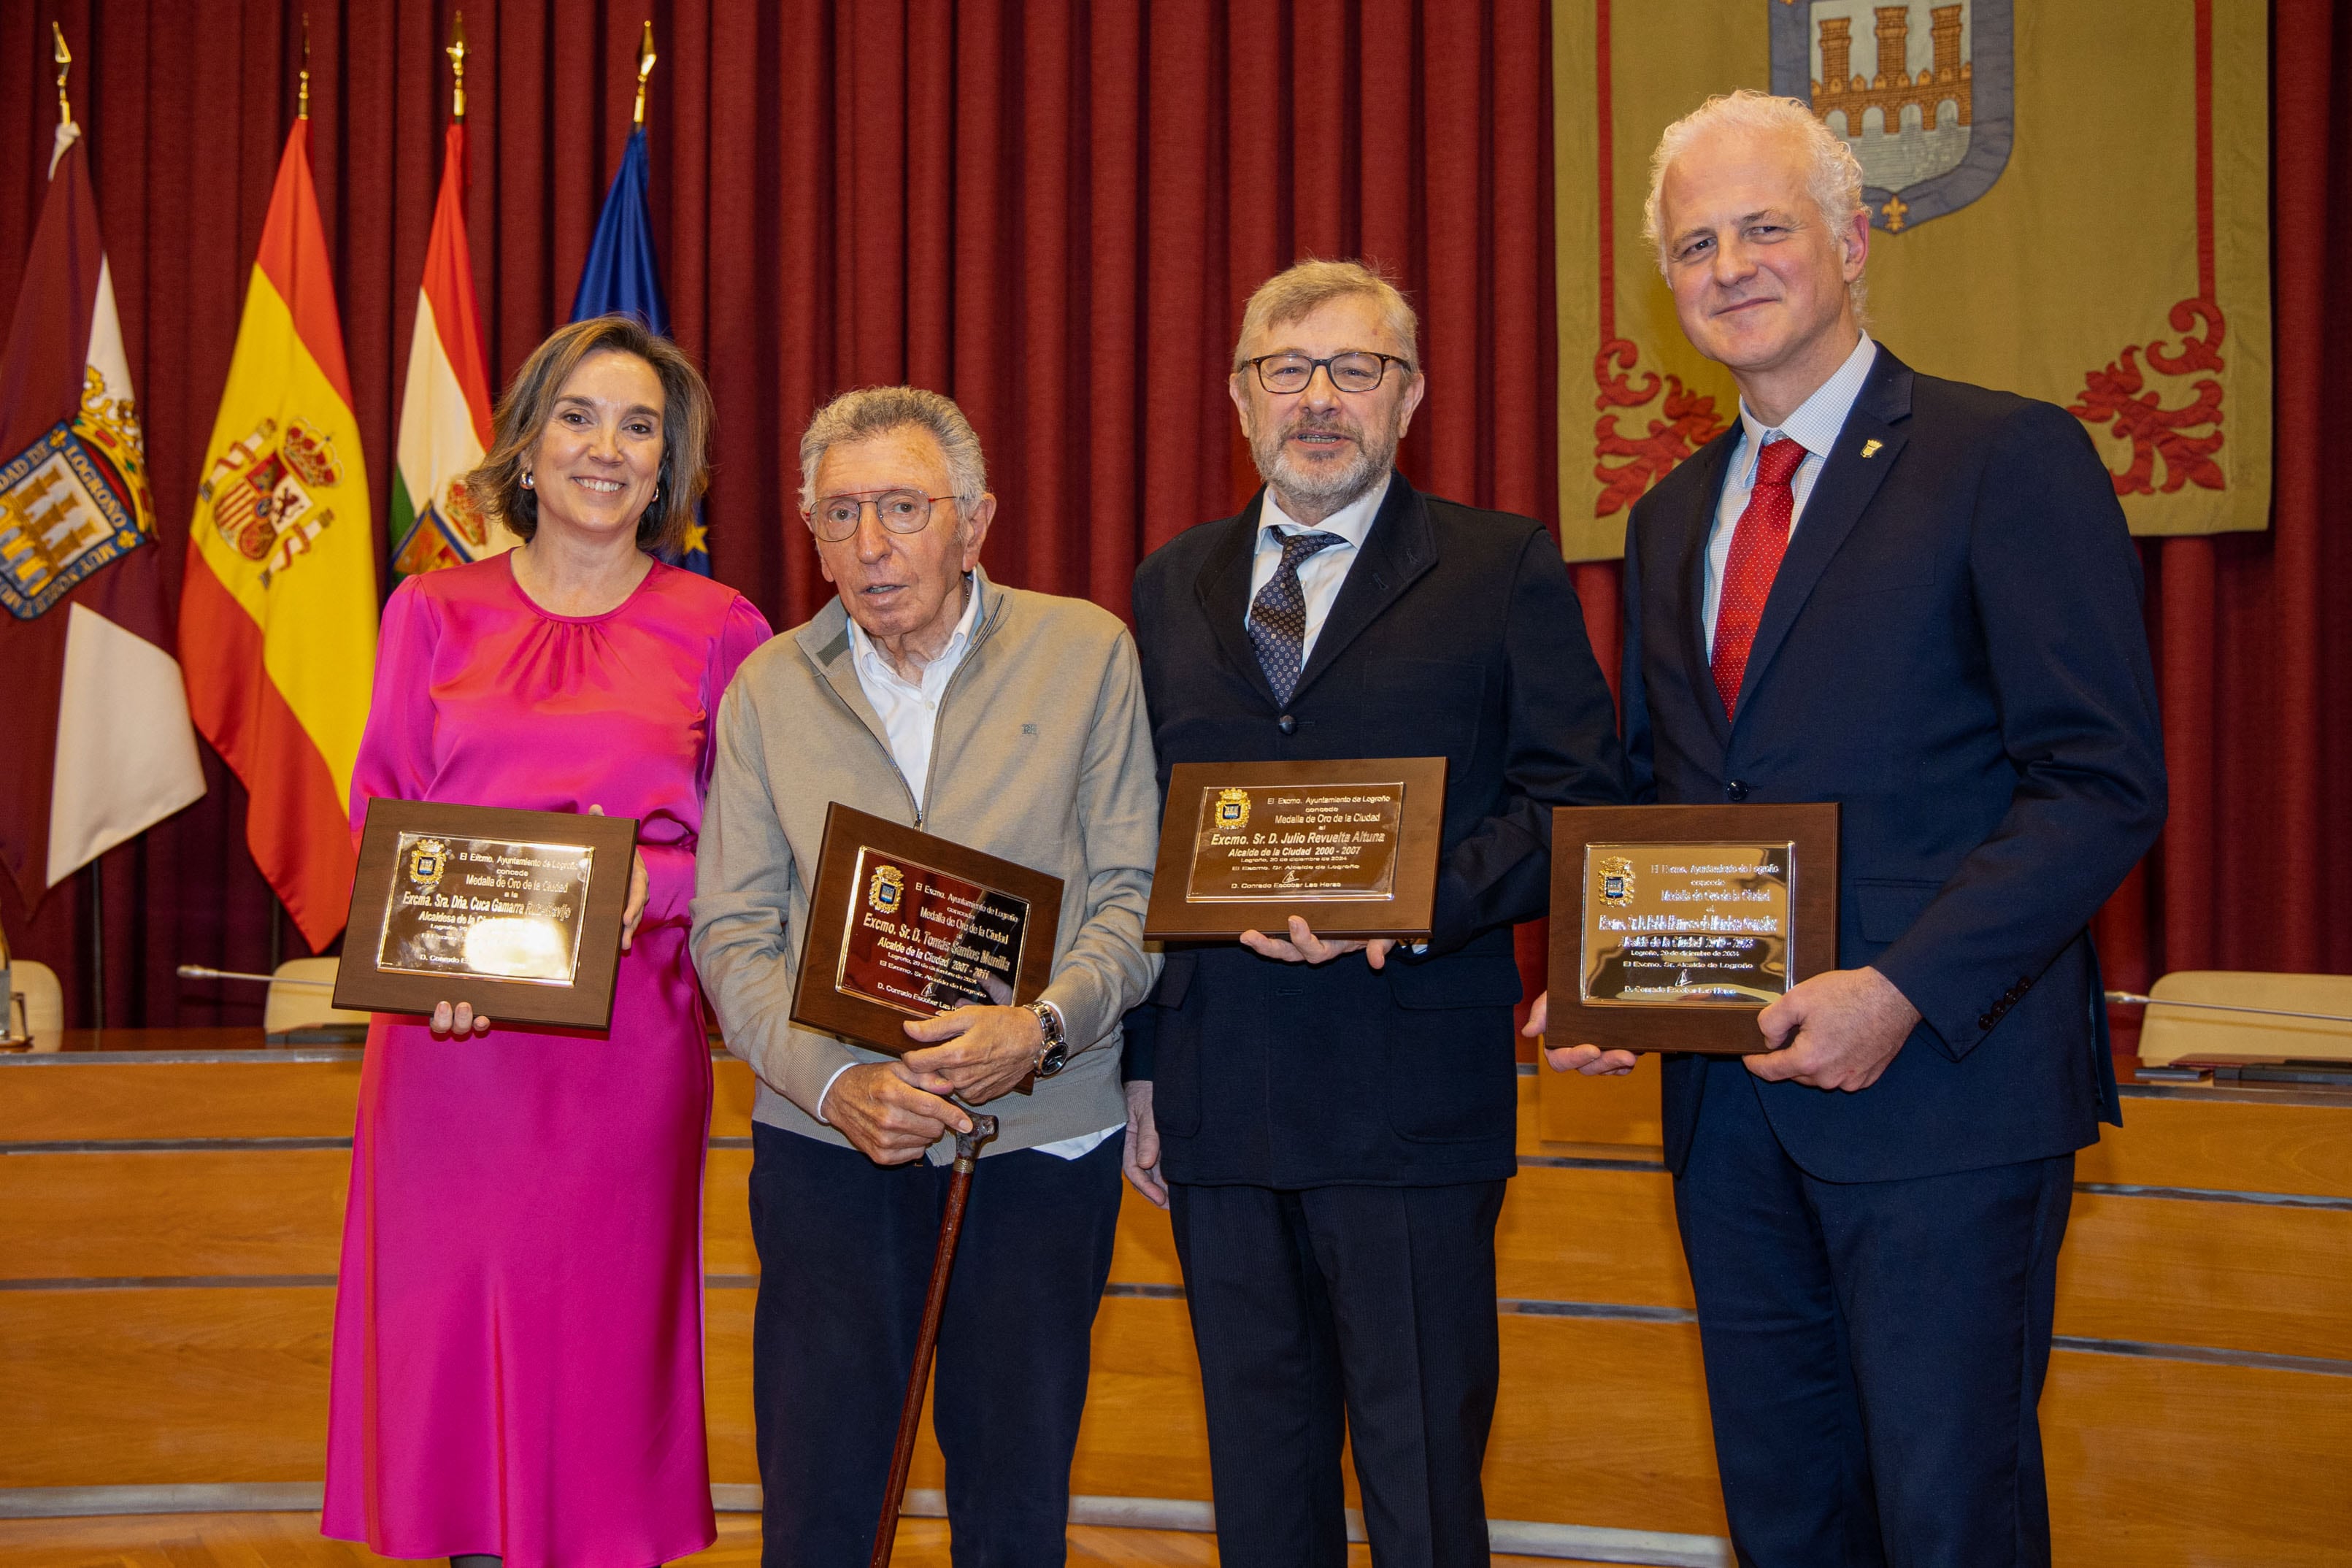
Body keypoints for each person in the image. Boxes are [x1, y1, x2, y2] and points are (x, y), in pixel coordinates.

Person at [1533, 91, 2167, 1567]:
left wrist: (1903, 989)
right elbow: (1677, 793)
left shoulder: (2003, 459)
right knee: (1785, 1515)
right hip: (1732, 1116)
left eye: (1764, 226)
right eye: (1696, 242)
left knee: (1951, 1520)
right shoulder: (1669, 514)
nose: (1730, 264)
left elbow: (2099, 784)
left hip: (1946, 1097)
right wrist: (1608, 972)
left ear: (1852, 238)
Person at [1121, 260, 1629, 1567]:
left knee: (1418, 1480)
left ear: (1410, 396)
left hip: (1409, 1094)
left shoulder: (1496, 561)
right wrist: (1136, 1072)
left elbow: (1575, 799)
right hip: (1220, 1090)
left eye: (1356, 370)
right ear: (1238, 399)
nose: (1319, 401)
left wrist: (1411, 908)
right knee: (1258, 1477)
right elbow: (1136, 834)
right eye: (1286, 372)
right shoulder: (1168, 581)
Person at [323, 316, 772, 1568]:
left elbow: (753, 843)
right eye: (577, 416)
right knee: (453, 1352)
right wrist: (426, 979)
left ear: (669, 463)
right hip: (449, 1057)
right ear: (526, 442)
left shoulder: (721, 625)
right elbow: (380, 820)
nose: (605, 448)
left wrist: (658, 889)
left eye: (639, 426)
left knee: (599, 1353)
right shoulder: (429, 609)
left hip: (621, 1057)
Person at [690, 386, 1161, 1566]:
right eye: (838, 514)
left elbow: (1134, 898)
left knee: (1012, 1492)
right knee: (821, 1490)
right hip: (830, 1140)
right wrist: (828, 1084)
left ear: (976, 522)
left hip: (1040, 1138)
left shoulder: (1086, 650)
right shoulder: (768, 686)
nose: (870, 544)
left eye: (903, 507)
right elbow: (731, 933)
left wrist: (1042, 1026)